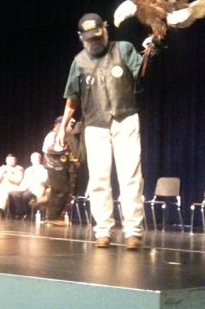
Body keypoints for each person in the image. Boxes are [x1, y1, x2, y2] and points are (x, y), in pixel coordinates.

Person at [56, 13, 145, 250]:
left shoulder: (123, 49)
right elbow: (72, 98)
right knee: (98, 180)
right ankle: (103, 230)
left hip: (125, 118)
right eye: (89, 39)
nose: (94, 41)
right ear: (81, 38)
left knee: (130, 177)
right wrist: (63, 127)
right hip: (94, 124)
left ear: (105, 30)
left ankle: (133, 232)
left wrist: (151, 53)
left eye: (97, 36)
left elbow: (142, 74)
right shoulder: (79, 61)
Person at [43, 117, 74, 225]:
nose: (70, 127)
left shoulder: (62, 135)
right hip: (55, 166)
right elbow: (48, 150)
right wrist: (65, 150)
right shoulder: (53, 135)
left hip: (59, 166)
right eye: (68, 124)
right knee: (60, 190)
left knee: (61, 190)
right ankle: (53, 217)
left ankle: (53, 217)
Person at [8, 152, 48, 219]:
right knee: (15, 194)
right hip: (26, 187)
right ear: (31, 160)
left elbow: (43, 180)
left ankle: (29, 213)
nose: (36, 160)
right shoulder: (28, 170)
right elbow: (24, 181)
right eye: (34, 159)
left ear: (40, 159)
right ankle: (22, 213)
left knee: (25, 196)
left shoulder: (44, 169)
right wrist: (20, 188)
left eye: (37, 159)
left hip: (36, 188)